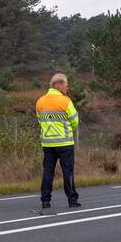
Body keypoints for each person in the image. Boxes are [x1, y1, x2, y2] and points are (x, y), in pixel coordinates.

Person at [36, 73, 80, 210]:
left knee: (48, 172)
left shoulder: (40, 101)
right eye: (66, 85)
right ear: (59, 85)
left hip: (48, 144)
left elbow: (40, 121)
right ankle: (72, 200)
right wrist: (66, 130)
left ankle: (45, 201)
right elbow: (75, 122)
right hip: (65, 143)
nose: (68, 88)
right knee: (68, 172)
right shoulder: (65, 101)